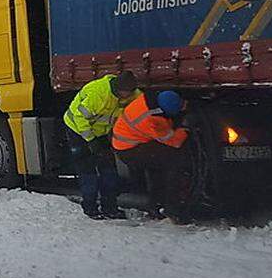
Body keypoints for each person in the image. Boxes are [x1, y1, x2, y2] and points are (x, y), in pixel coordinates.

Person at [64, 71, 139, 219]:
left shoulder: (130, 93)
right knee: (88, 171)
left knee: (109, 170)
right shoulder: (98, 94)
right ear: (119, 90)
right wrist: (91, 141)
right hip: (77, 131)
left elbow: (140, 101)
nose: (129, 97)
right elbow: (79, 118)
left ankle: (110, 207)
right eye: (127, 93)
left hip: (100, 132)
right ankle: (90, 207)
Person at [113, 90, 192, 223]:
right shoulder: (152, 120)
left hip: (128, 141)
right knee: (173, 161)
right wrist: (185, 129)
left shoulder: (149, 98)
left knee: (157, 167)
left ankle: (156, 205)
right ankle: (172, 208)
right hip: (129, 149)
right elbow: (174, 141)